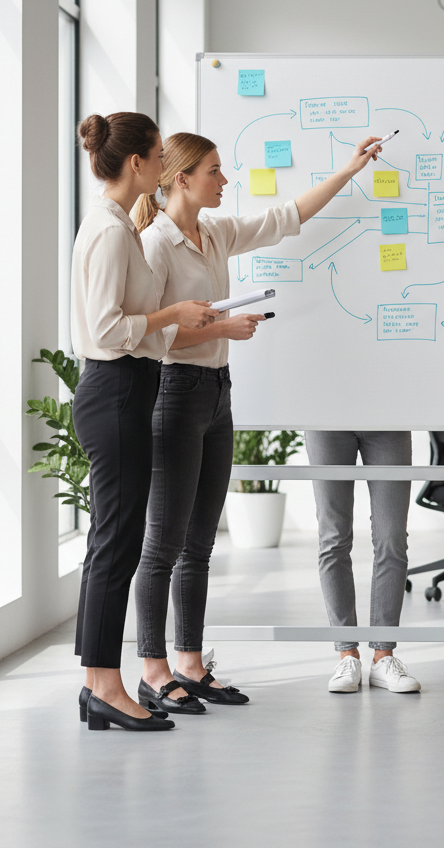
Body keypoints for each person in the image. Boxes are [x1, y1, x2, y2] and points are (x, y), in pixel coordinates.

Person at [132, 132, 383, 713]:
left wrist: (349, 169)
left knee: (199, 543)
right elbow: (149, 329)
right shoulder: (155, 244)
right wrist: (220, 329)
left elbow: (287, 217)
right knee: (162, 543)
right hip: (174, 392)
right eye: (215, 172)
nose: (225, 181)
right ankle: (153, 670)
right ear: (181, 178)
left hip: (216, 393)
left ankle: (190, 664)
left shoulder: (215, 232)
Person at [71, 112, 217, 732]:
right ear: (136, 163)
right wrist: (171, 316)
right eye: (158, 155)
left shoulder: (120, 226)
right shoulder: (109, 231)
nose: (163, 166)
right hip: (119, 388)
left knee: (113, 538)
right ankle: (104, 686)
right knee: (117, 541)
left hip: (126, 388)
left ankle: (98, 682)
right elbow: (106, 330)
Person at [305, 430, 420, 694]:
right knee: (333, 537)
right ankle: (347, 656)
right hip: (327, 423)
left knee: (391, 537)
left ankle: (383, 656)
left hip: (388, 421)